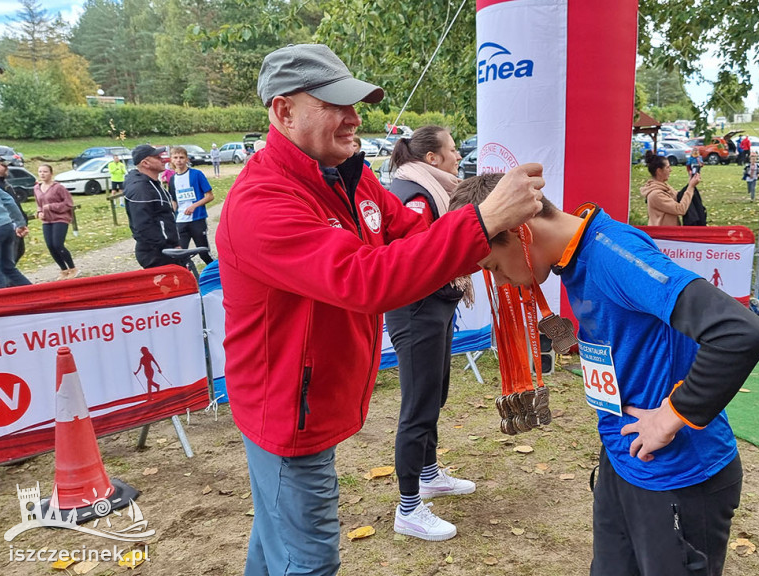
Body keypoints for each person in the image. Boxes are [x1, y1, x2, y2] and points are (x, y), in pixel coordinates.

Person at [215, 44, 545, 576]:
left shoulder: (347, 174)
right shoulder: (262, 202)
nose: (354, 118)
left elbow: (410, 233)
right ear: (283, 111)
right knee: (309, 559)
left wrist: (493, 248)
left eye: (356, 103)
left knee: (277, 539)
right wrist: (481, 220)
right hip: (286, 408)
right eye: (335, 105)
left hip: (311, 397)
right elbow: (365, 279)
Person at [449, 173, 759, 576]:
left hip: (678, 474)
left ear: (519, 232)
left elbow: (741, 332)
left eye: (493, 266)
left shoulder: (612, 254)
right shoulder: (574, 259)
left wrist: (670, 417)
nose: (500, 281)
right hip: (623, 461)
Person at [383, 125, 473, 542]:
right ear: (432, 158)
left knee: (436, 393)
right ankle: (408, 507)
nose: (458, 155)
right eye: (453, 150)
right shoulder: (416, 195)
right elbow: (418, 257)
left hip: (435, 303)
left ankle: (429, 472)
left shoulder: (427, 188)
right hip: (417, 307)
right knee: (418, 405)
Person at [124, 144, 182, 269]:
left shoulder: (153, 183)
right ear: (145, 163)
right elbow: (142, 226)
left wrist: (175, 243)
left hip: (168, 249)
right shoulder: (140, 188)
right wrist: (165, 247)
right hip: (156, 254)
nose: (163, 159)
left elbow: (164, 216)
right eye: (157, 157)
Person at [166, 147, 214, 265]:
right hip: (181, 221)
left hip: (197, 219)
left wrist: (194, 206)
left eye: (181, 157)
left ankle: (217, 275)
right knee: (180, 255)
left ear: (186, 159)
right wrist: (171, 217)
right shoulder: (172, 179)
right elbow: (174, 201)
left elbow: (209, 196)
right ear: (171, 160)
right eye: (175, 158)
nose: (179, 161)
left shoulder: (196, 174)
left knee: (204, 253)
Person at [33, 164, 78, 280]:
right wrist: (39, 212)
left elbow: (69, 203)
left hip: (60, 218)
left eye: (45, 172)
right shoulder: (36, 188)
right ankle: (63, 270)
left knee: (58, 244)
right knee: (50, 246)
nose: (42, 174)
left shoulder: (58, 188)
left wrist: (52, 206)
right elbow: (38, 204)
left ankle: (73, 268)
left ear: (51, 173)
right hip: (47, 220)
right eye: (40, 171)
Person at [640, 151, 701, 226]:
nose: (670, 170)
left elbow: (679, 197)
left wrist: (690, 184)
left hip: (670, 233)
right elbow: (680, 209)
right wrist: (691, 187)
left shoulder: (664, 187)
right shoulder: (656, 194)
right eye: (667, 167)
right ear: (659, 171)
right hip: (662, 235)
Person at [0, 174, 30, 290]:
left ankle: (1, 305)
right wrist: (20, 224)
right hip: (7, 226)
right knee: (8, 268)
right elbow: (9, 200)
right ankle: (36, 295)